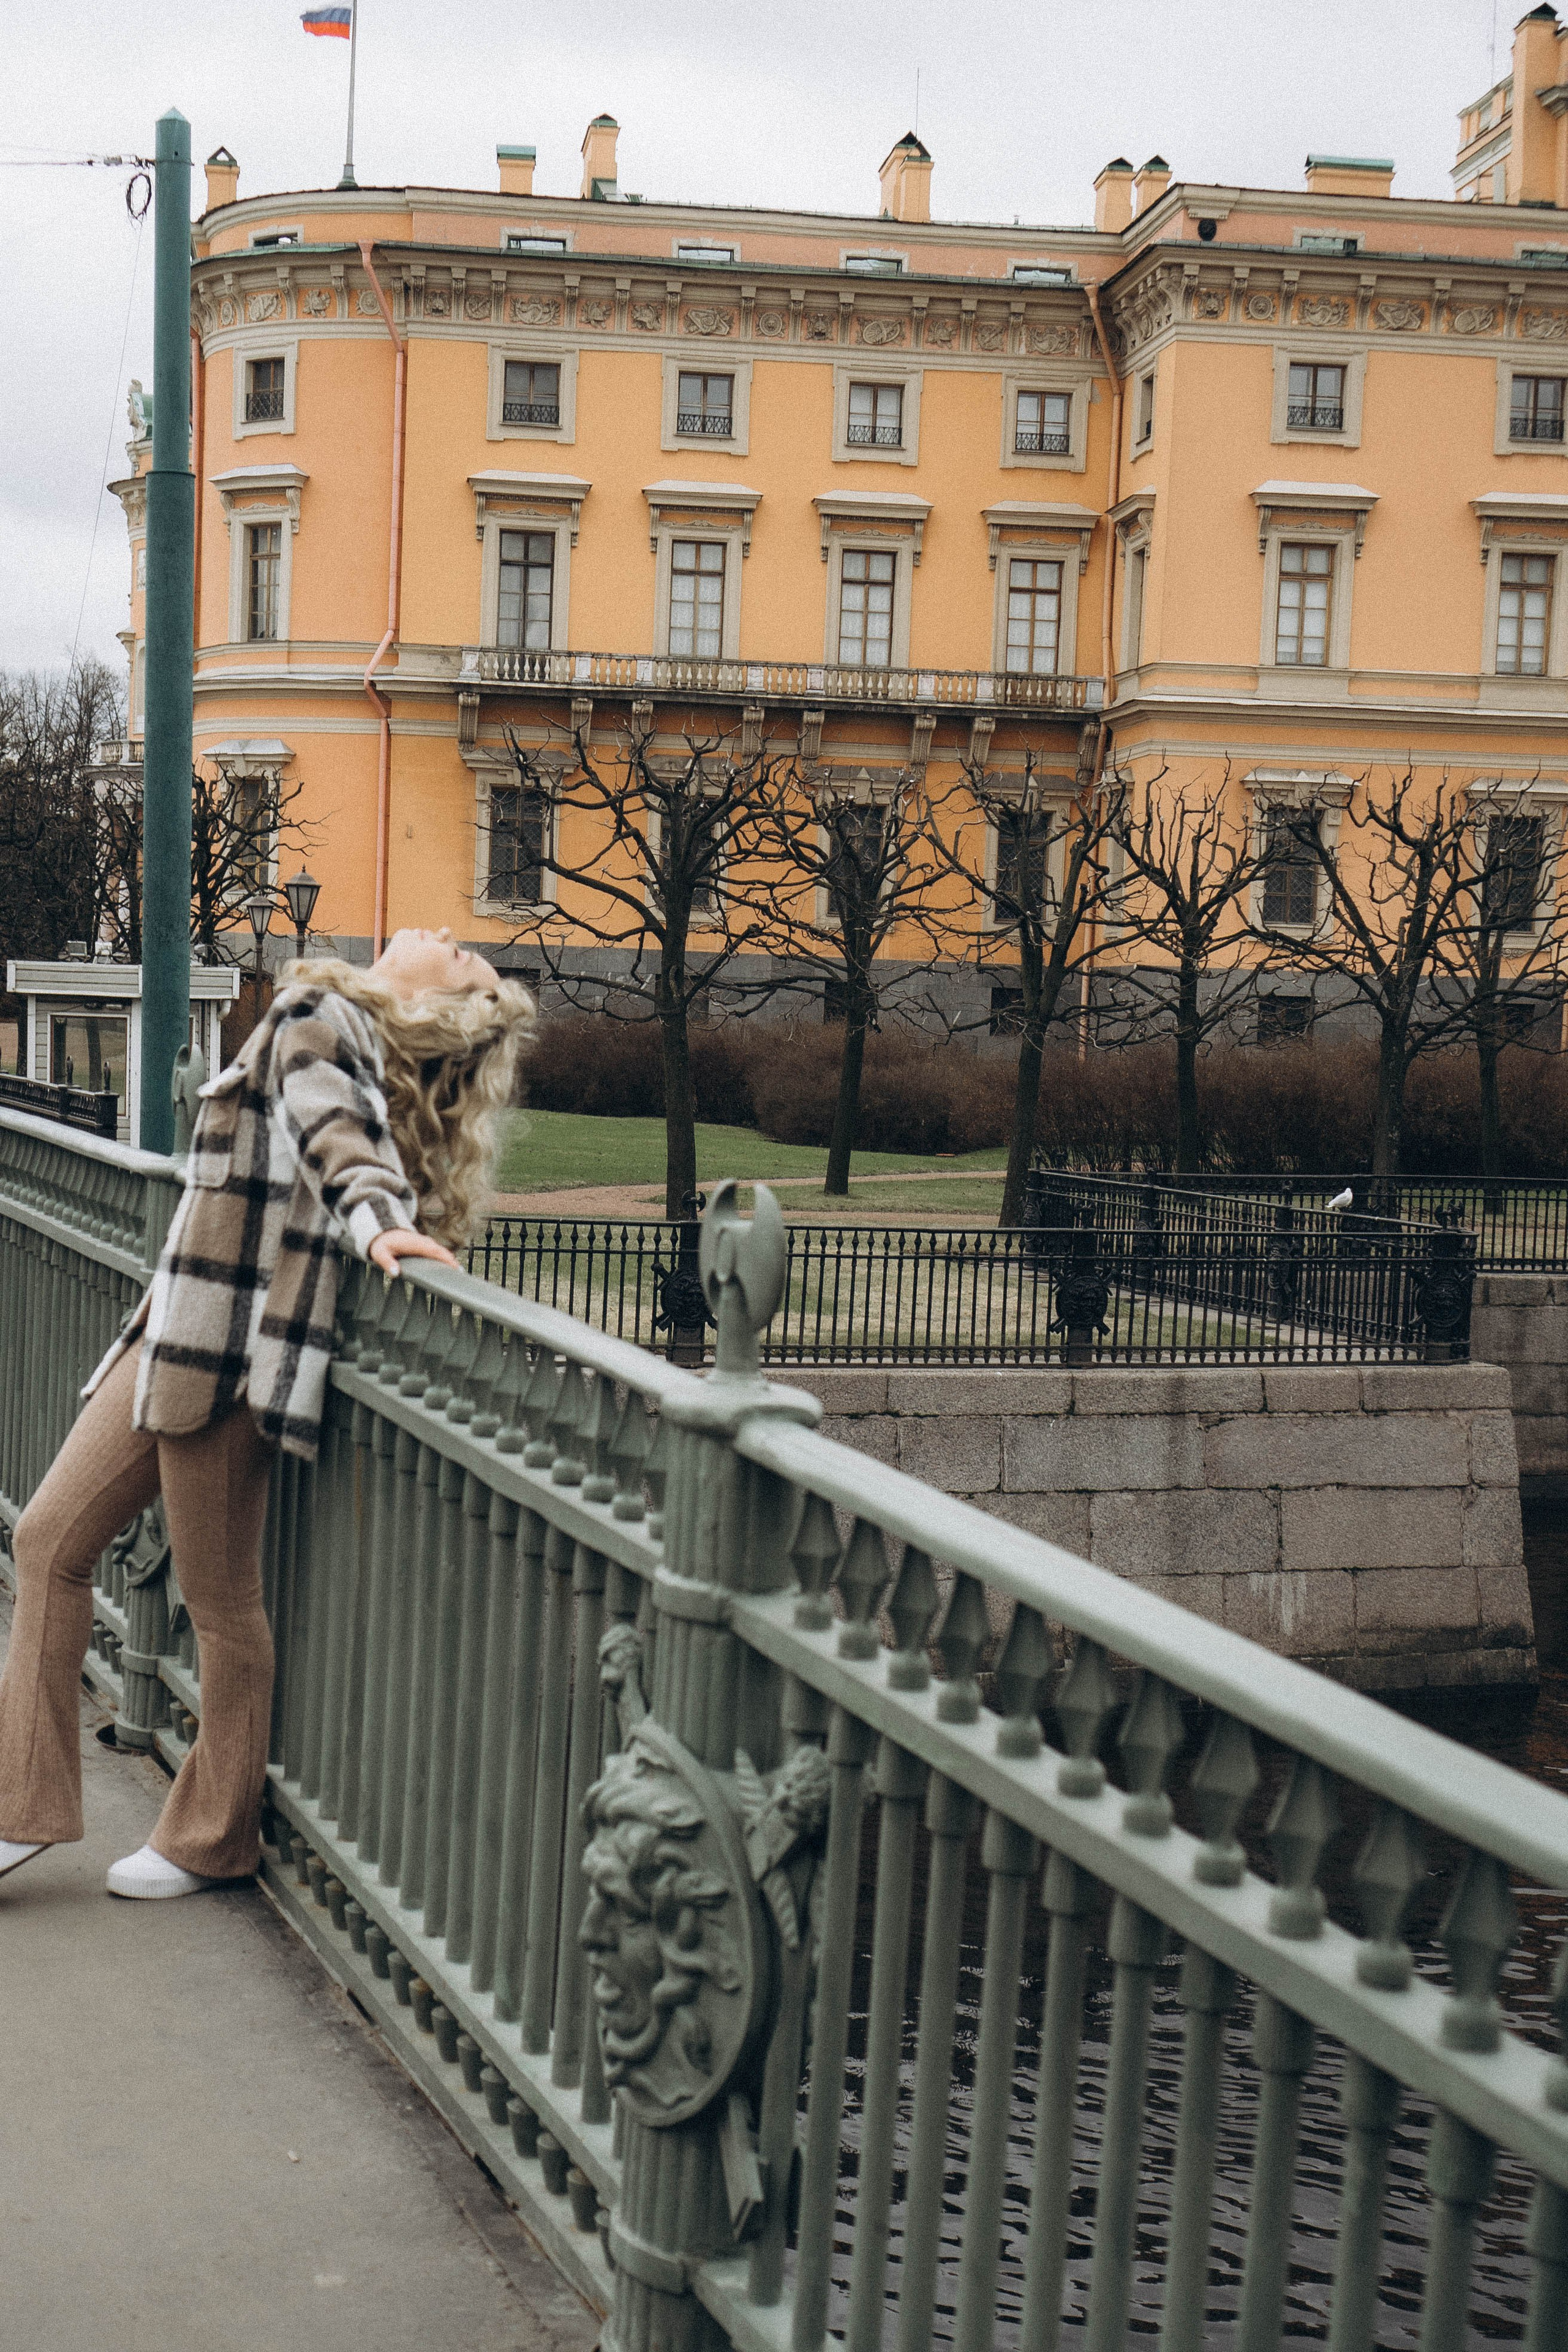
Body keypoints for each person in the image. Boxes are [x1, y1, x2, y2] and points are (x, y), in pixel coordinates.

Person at [0, 928, 533, 1899]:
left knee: (222, 1607)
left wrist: (385, 1226)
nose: (444, 938)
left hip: (232, 1359)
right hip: (170, 1333)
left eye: (464, 960)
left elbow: (343, 1147)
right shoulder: (343, 1028)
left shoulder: (320, 1019)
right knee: (45, 1541)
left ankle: (212, 1837)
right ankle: (19, 1809)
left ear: (444, 1011)